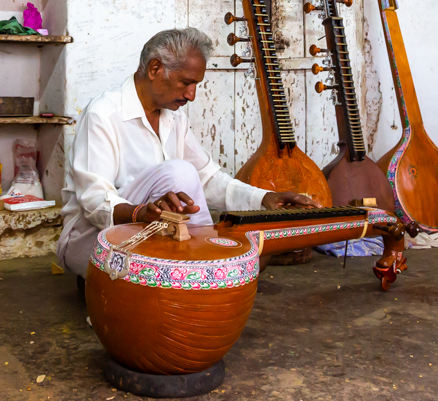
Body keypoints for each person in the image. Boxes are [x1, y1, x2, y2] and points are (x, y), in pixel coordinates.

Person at [56, 28, 319, 278]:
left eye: (196, 85)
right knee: (178, 172)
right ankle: (209, 264)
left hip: (151, 235)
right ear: (155, 69)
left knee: (185, 180)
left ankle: (205, 264)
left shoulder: (174, 119)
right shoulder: (103, 113)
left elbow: (207, 178)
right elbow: (93, 200)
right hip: (89, 241)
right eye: (186, 82)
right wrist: (140, 213)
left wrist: (265, 198)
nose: (191, 95)